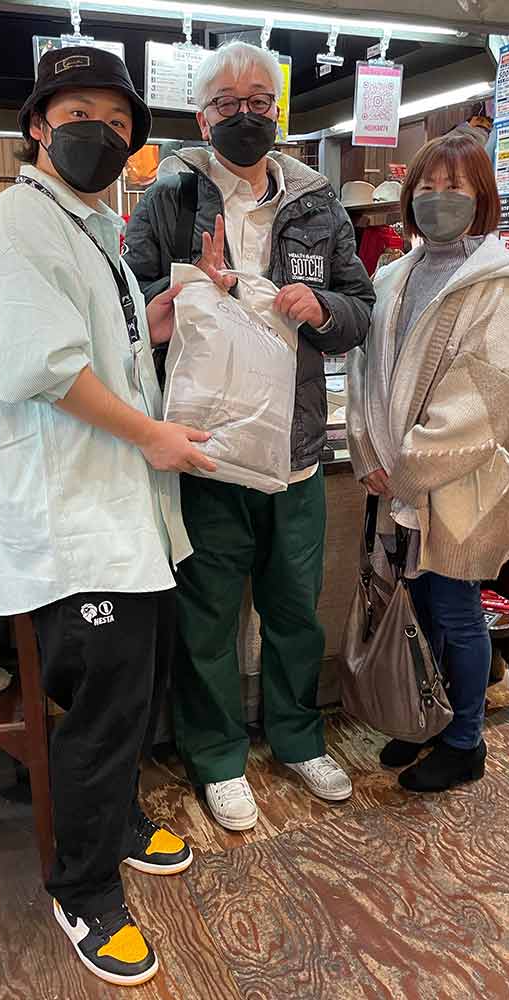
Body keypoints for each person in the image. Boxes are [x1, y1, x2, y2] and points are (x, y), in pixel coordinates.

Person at [0, 47, 217, 988]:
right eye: (79, 114)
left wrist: (155, 321)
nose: (99, 134)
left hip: (121, 514)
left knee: (137, 690)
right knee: (103, 711)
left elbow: (98, 347)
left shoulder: (94, 226)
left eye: (117, 123)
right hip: (72, 518)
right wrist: (152, 436)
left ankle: (119, 821)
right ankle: (85, 889)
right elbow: (45, 366)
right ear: (37, 125)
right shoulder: (14, 222)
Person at [124, 40, 375, 831]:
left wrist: (322, 309)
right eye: (227, 103)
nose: (245, 115)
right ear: (202, 117)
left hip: (296, 452)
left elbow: (360, 309)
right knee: (207, 615)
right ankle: (217, 756)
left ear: (278, 110)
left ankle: (299, 738)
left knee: (295, 609)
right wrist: (184, 293)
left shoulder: (318, 204)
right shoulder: (168, 199)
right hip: (204, 450)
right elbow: (126, 308)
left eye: (259, 101)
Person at [347, 132, 509, 793]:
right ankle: (424, 716)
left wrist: (409, 467)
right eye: (427, 188)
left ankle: (465, 741)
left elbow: (490, 394)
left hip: (459, 483)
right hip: (399, 481)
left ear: (481, 197)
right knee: (416, 607)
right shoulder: (392, 277)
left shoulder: (499, 288)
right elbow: (364, 373)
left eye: (455, 188)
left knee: (456, 612)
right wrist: (368, 452)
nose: (438, 200)